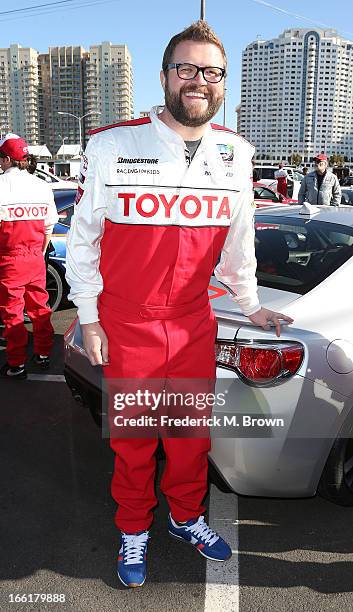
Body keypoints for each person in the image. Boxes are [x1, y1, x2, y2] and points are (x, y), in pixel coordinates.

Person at [66, 20, 293, 588]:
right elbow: (84, 238)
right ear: (166, 75)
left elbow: (239, 239)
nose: (199, 81)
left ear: (223, 84)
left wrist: (251, 302)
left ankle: (186, 517)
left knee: (191, 436)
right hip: (127, 321)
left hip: (194, 322)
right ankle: (133, 526)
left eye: (212, 73)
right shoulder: (113, 143)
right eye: (186, 69)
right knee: (135, 440)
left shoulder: (236, 153)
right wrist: (89, 317)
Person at [0, 133, 58, 379]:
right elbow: (49, 227)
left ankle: (16, 363)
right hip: (35, 257)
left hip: (8, 258)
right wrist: (38, 254)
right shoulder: (42, 186)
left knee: (12, 313)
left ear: (5, 159)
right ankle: (43, 353)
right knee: (39, 307)